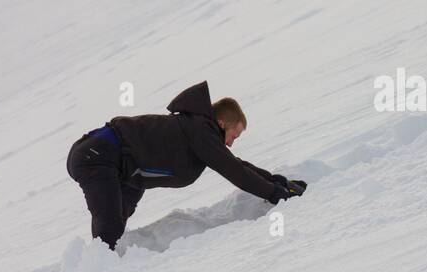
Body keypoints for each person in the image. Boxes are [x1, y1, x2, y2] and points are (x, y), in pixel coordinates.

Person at [66, 81, 305, 249]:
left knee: (113, 233)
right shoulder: (200, 130)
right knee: (108, 234)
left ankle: (100, 266)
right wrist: (277, 194)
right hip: (97, 156)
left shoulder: (199, 131)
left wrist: (277, 181)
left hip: (123, 169)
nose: (232, 143)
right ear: (221, 123)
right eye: (234, 135)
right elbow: (233, 170)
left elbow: (233, 163)